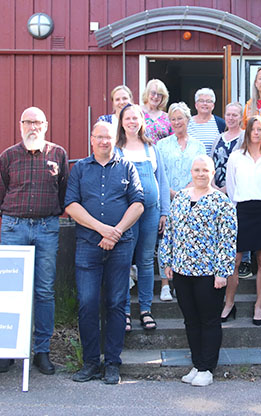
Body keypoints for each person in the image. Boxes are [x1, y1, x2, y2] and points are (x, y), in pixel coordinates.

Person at [65, 121, 144, 385]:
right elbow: (71, 206)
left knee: (116, 303)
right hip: (88, 245)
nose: (103, 141)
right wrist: (102, 230)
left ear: (115, 139)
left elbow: (138, 204)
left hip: (121, 247)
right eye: (99, 137)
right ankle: (90, 363)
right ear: (91, 139)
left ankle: (112, 363)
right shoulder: (80, 170)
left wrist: (116, 232)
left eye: (108, 137)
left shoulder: (127, 167)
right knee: (87, 303)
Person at [0, 107, 68, 375]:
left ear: (46, 125)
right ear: (20, 125)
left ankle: (42, 351)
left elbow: (63, 191)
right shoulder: (8, 156)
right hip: (15, 227)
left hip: (47, 227)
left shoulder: (58, 154)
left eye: (37, 122)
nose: (32, 127)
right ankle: (8, 350)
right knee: (11, 290)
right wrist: (19, 216)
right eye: (28, 122)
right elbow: (0, 195)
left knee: (44, 290)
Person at [160, 155, 237, 387]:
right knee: (190, 319)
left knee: (209, 319)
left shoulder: (221, 201)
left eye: (205, 170)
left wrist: (223, 271)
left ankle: (207, 367)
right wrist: (167, 260)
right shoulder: (181, 198)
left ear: (212, 173)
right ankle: (196, 363)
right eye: (197, 170)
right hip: (182, 270)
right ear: (190, 172)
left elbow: (228, 238)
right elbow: (170, 231)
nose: (201, 174)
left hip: (209, 273)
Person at [115, 104, 170, 331]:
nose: (131, 122)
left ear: (141, 121)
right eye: (127, 118)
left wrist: (164, 211)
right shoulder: (116, 149)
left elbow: (163, 182)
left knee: (146, 261)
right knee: (125, 261)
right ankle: (125, 311)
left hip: (151, 212)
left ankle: (146, 309)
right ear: (121, 122)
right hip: (126, 213)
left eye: (135, 118)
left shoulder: (151, 148)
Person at [223, 116, 261, 326]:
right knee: (234, 261)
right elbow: (231, 187)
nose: (256, 133)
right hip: (242, 211)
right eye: (253, 129)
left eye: (260, 129)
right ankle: (229, 303)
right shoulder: (236, 157)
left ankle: (259, 305)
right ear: (247, 132)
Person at [156, 102, 207, 301]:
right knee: (166, 241)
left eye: (180, 118)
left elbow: (202, 172)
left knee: (188, 239)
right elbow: (159, 174)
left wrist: (185, 192)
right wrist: (171, 193)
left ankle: (183, 281)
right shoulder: (161, 145)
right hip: (167, 198)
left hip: (192, 198)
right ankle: (165, 284)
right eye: (173, 119)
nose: (177, 122)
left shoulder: (199, 145)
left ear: (188, 120)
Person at [211, 102, 251, 279]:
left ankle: (244, 261)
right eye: (228, 114)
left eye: (235, 115)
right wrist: (213, 186)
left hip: (237, 188)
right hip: (216, 189)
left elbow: (247, 164)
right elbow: (210, 162)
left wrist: (227, 187)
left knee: (239, 223)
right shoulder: (218, 138)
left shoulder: (245, 138)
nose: (231, 118)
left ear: (241, 117)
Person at [187, 88, 226, 155]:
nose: (205, 104)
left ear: (213, 105)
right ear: (196, 105)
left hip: (211, 164)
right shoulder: (187, 123)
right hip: (191, 164)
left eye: (208, 101)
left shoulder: (220, 124)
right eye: (201, 101)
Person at [141, 79, 172, 143]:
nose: (155, 96)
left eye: (159, 94)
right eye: (153, 93)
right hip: (141, 151)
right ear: (147, 93)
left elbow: (173, 140)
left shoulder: (167, 117)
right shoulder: (137, 112)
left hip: (161, 152)